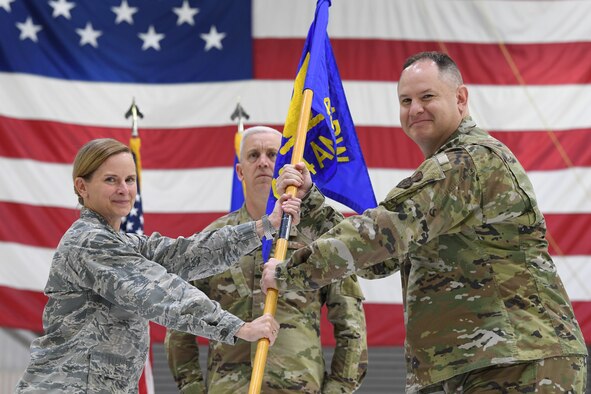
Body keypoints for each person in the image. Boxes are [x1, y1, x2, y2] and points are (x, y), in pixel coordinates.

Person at [262, 52, 588, 393]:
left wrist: (290, 273)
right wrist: (311, 202)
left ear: (460, 98)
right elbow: (384, 259)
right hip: (477, 364)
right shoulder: (446, 171)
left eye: (427, 96)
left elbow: (383, 232)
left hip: (516, 363)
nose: (415, 108)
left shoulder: (469, 161)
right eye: (406, 100)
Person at [15, 138, 301, 393]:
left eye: (129, 180)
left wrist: (267, 225)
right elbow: (159, 292)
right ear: (82, 186)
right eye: (111, 180)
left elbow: (189, 253)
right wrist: (238, 328)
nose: (124, 190)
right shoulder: (88, 242)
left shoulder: (125, 243)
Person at [165, 126, 368, 393]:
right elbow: (180, 317)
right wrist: (192, 388)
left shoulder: (317, 239)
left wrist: (337, 389)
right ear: (240, 171)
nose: (263, 161)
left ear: (284, 167)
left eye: (273, 154)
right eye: (253, 155)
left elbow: (351, 324)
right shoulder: (214, 240)